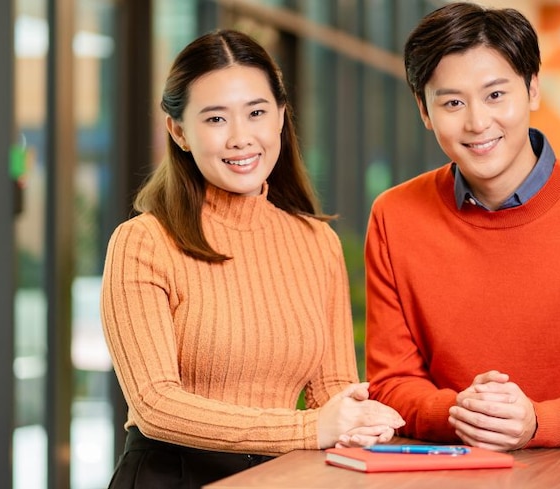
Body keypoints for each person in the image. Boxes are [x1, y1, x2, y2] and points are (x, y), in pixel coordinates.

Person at [100, 29, 404, 488]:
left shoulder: (316, 242)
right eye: (216, 119)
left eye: (257, 112)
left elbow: (333, 389)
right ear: (179, 131)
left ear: (281, 117)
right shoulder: (143, 242)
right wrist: (310, 428)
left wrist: (360, 420)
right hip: (172, 475)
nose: (241, 137)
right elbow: (154, 405)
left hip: (281, 476)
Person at [365, 2, 560, 452]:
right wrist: (462, 413)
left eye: (495, 95)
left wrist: (537, 421)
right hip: (446, 476)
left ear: (532, 90)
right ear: (424, 111)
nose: (477, 122)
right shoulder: (394, 216)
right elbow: (390, 384)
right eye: (452, 102)